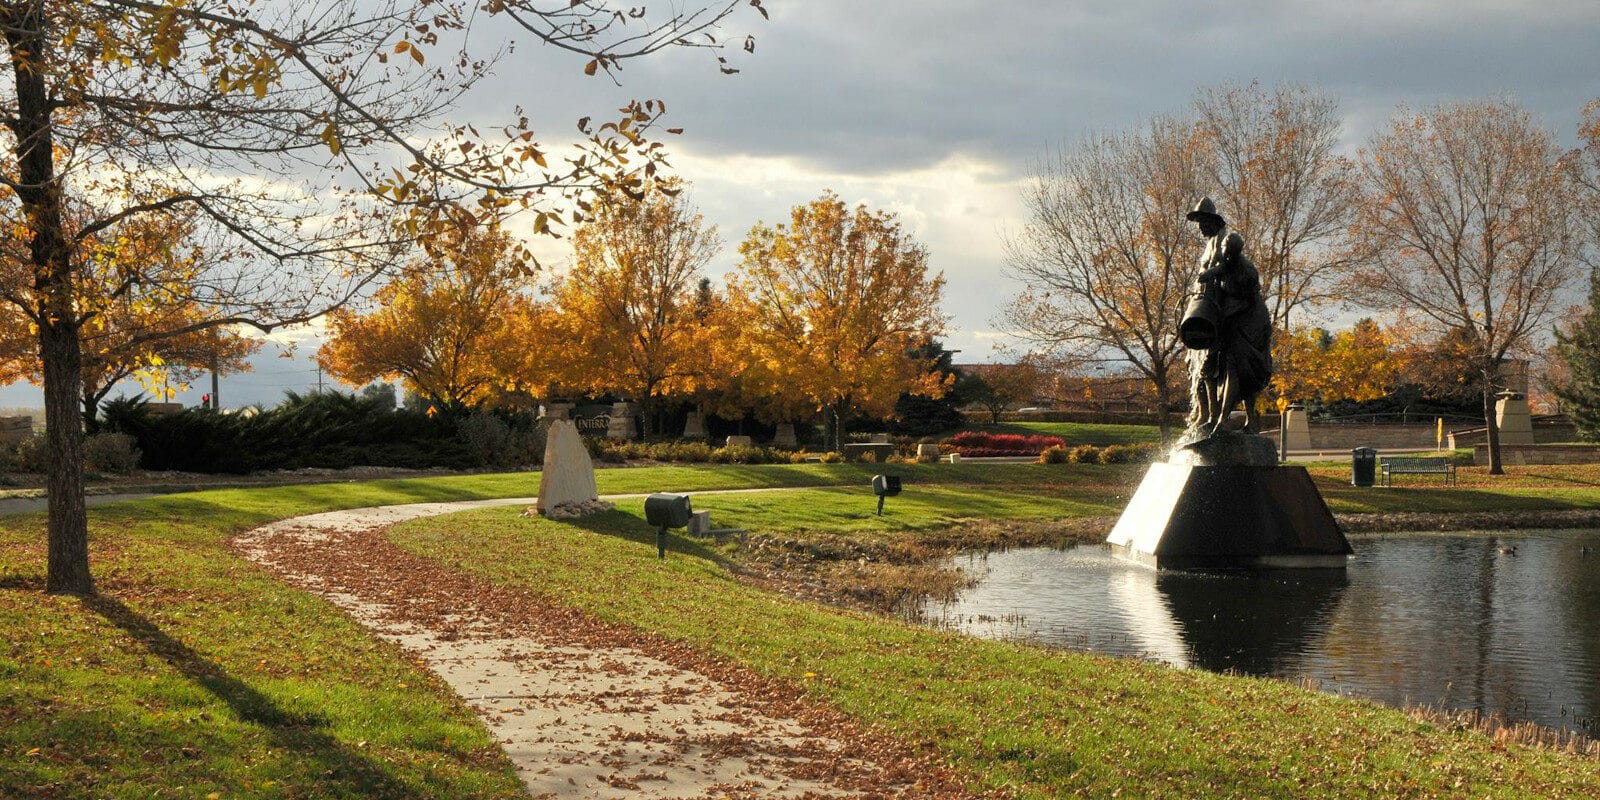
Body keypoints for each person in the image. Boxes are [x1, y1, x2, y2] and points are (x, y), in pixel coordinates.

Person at [1182, 197, 1272, 436]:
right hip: (1218, 313)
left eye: (1203, 222)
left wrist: (1215, 275)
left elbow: (1249, 301)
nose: (1200, 227)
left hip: (1241, 323)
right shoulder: (1212, 242)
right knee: (1206, 365)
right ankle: (1211, 416)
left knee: (1236, 369)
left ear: (1213, 221)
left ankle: (1224, 419)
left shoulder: (1233, 254)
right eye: (1198, 222)